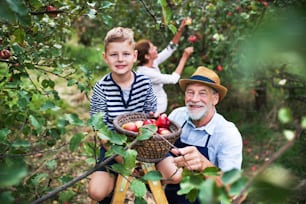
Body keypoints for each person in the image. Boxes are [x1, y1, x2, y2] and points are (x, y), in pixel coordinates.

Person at [88, 27, 157, 203]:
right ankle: (111, 188)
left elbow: (151, 118)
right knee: (96, 192)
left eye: (126, 54)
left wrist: (141, 156)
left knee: (168, 174)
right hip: (111, 147)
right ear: (105, 57)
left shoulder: (144, 84)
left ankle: (153, 187)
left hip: (142, 144)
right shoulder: (101, 88)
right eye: (114, 55)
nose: (120, 59)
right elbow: (100, 129)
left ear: (134, 56)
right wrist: (123, 160)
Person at [156, 66, 243, 203]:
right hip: (168, 197)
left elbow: (231, 189)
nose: (194, 99)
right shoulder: (177, 116)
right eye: (190, 92)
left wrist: (204, 165)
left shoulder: (227, 133)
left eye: (202, 93)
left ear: (215, 99)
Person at [135, 18, 194, 114]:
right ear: (147, 56)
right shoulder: (146, 74)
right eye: (152, 48)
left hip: (158, 110)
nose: (156, 48)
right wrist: (184, 57)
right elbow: (173, 79)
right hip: (153, 114)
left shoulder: (151, 63)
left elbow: (169, 49)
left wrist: (180, 29)